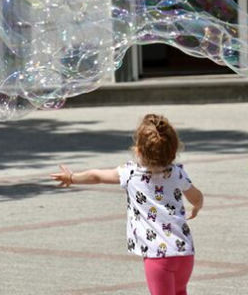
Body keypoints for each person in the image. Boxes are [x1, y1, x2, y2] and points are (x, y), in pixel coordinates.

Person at [50, 114, 204, 295]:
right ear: (173, 150)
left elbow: (97, 176)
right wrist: (197, 206)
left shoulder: (130, 172)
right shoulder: (177, 173)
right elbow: (197, 196)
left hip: (158, 257)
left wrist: (72, 177)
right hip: (184, 253)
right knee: (180, 292)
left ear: (138, 150)